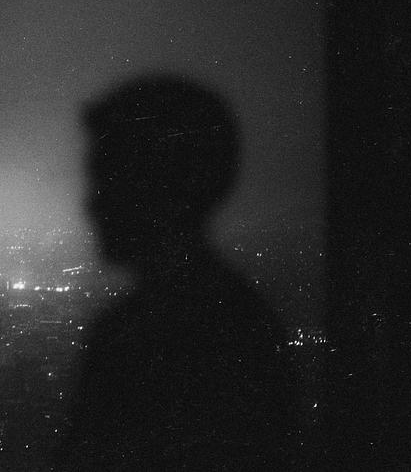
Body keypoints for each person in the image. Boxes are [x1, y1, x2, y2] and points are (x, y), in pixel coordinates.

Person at [57, 75, 294, 470]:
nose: (92, 205)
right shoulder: (244, 326)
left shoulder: (135, 338)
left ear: (158, 188)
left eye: (107, 182)